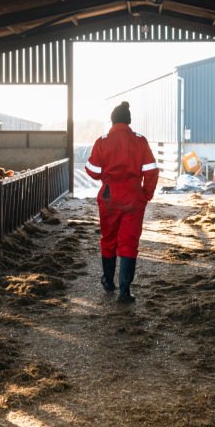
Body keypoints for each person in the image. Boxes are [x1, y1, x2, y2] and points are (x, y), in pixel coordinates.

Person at [85, 101, 159, 303]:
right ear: (129, 121)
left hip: (109, 197)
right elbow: (151, 171)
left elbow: (93, 171)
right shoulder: (140, 141)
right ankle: (124, 292)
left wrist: (107, 175)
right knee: (129, 243)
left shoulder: (102, 141)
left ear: (112, 120)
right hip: (134, 199)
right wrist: (146, 194)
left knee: (108, 239)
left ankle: (108, 282)